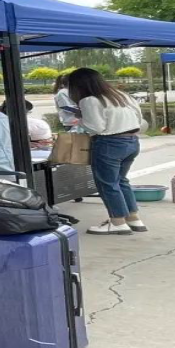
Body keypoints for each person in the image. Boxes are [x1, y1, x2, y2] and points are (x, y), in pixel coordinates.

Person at [67, 68, 147, 235]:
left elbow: (96, 127)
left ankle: (118, 222)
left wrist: (80, 119)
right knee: (121, 181)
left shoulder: (89, 100)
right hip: (132, 141)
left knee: (108, 184)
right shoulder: (121, 96)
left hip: (109, 143)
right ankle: (134, 219)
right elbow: (140, 119)